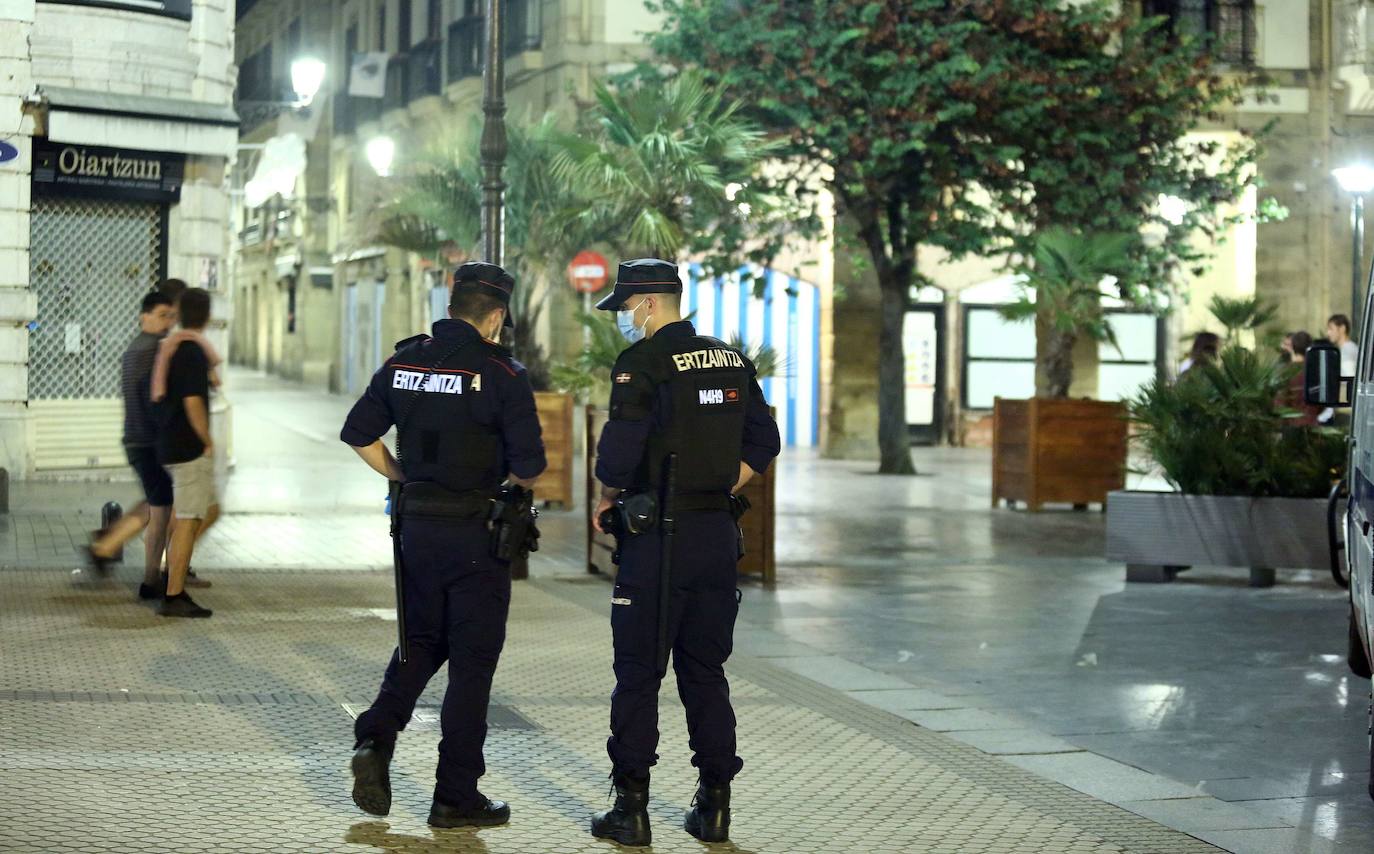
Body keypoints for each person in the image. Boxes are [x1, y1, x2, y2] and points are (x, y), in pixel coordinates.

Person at [342, 262, 545, 829]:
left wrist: (402, 477)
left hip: (416, 530)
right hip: (477, 537)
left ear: (452, 304)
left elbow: (358, 433)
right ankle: (454, 796)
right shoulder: (502, 372)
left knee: (420, 642)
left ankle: (375, 742)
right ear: (497, 316)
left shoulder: (404, 360)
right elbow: (530, 467)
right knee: (472, 666)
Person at [588, 259, 781, 847]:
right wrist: (727, 480)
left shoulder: (642, 365)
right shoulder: (728, 358)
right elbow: (765, 438)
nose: (625, 317)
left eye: (626, 307)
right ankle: (715, 806)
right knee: (705, 672)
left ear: (649, 302)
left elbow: (615, 466)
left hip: (657, 544)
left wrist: (612, 496)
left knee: (639, 674)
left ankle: (631, 809)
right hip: (716, 540)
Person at [82, 291, 176, 600]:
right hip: (147, 441)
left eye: (171, 315)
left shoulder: (138, 347)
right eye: (162, 315)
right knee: (161, 505)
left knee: (156, 501)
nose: (168, 321)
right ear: (144, 316)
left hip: (137, 439)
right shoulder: (151, 350)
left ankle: (106, 544)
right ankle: (136, 567)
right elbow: (154, 400)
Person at [152, 287, 218, 618]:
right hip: (188, 447)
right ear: (206, 316)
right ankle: (173, 593)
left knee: (189, 517)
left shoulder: (176, 348)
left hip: (171, 442)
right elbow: (193, 401)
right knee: (189, 521)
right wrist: (207, 440)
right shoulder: (191, 351)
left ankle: (171, 578)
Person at [1278, 331, 1322, 426]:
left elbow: (1280, 403)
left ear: (1293, 347)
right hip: (1314, 424)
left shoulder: (1286, 372)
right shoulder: (1317, 371)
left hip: (1293, 426)